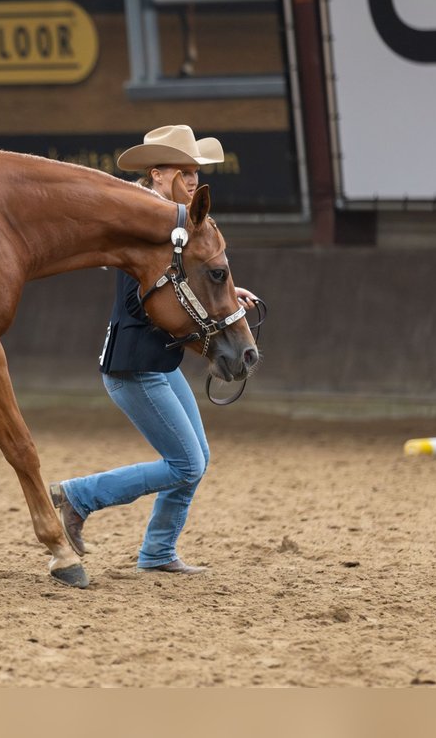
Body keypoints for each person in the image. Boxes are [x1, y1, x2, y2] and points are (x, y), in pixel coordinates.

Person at [49, 124, 259, 575]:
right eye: (184, 173)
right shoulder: (141, 221)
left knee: (195, 461)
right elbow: (136, 301)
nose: (192, 182)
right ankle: (78, 496)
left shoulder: (175, 223)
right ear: (158, 174)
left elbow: (189, 285)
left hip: (159, 362)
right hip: (134, 365)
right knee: (185, 463)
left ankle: (159, 553)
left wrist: (226, 296)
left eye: (194, 173)